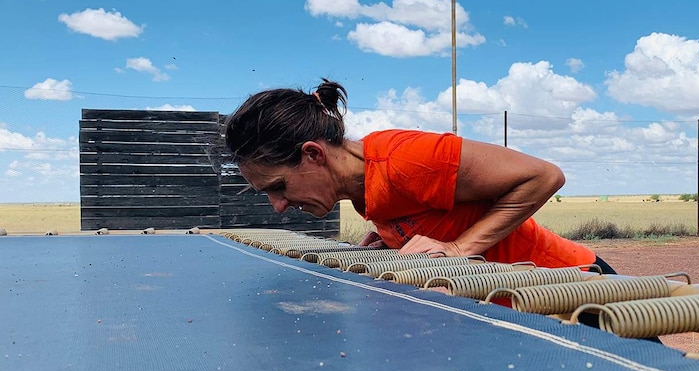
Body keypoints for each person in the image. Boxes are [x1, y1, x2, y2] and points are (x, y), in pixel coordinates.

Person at [223, 78, 616, 273]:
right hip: (513, 297)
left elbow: (543, 176)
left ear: (312, 154)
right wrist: (393, 238)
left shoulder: (405, 159)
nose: (277, 207)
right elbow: (433, 216)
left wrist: (461, 249)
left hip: (572, 285)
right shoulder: (362, 187)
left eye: (278, 187)